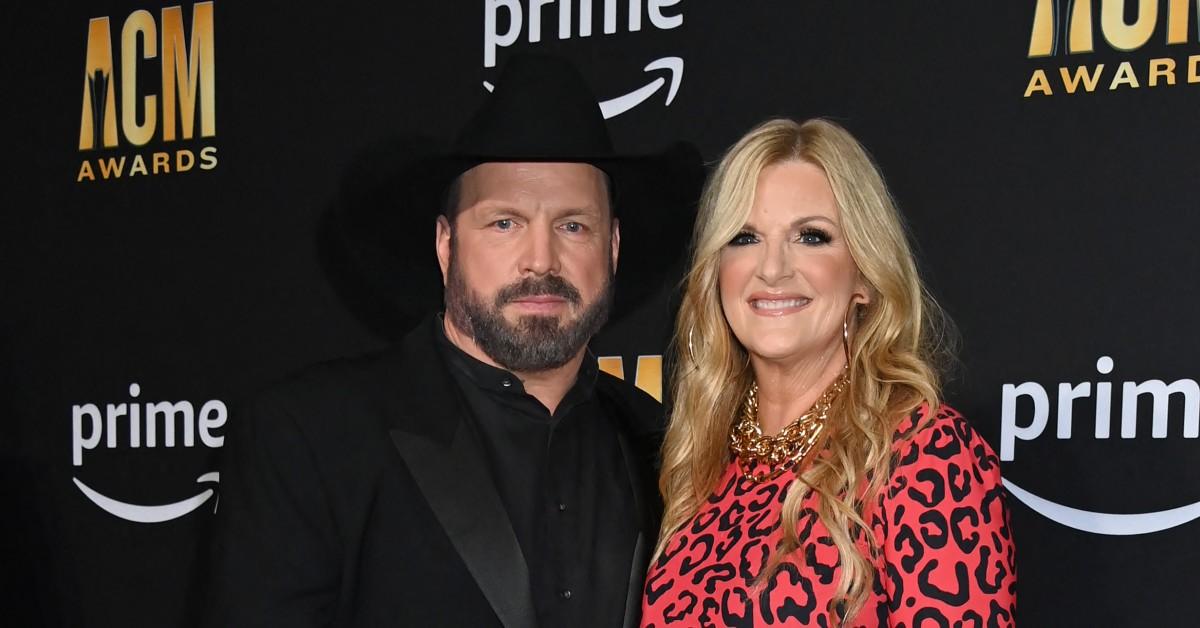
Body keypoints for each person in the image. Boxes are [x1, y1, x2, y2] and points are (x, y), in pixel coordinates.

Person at [204, 55, 674, 628]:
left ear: (613, 247)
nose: (541, 260)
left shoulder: (666, 450)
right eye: (505, 222)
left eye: (573, 225)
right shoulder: (310, 436)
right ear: (446, 244)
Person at [640, 119, 1017, 626]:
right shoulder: (704, 463)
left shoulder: (921, 454)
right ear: (715, 271)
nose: (772, 268)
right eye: (745, 237)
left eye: (811, 237)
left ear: (863, 274)